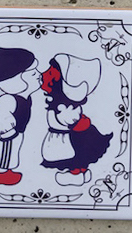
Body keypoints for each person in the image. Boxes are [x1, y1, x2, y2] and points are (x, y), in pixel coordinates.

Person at [40, 54, 112, 186]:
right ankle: (80, 172)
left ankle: (75, 175)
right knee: (74, 156)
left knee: (71, 157)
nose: (44, 74)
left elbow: (68, 120)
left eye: (50, 72)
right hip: (64, 136)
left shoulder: (64, 107)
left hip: (65, 138)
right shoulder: (60, 103)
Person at [0, 47, 41, 186]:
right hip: (5, 134)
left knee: (6, 152)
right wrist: (7, 131)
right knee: (4, 153)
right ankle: (0, 175)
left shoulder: (22, 97)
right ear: (18, 80)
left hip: (13, 132)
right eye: (33, 73)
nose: (39, 75)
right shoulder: (8, 100)